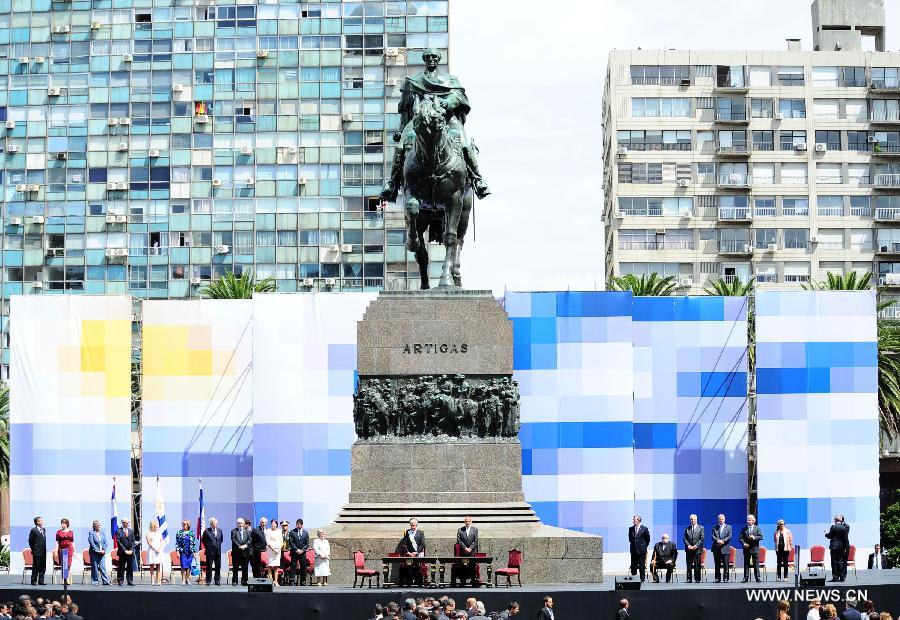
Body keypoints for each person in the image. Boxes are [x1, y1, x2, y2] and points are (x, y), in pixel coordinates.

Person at [380, 49, 491, 203]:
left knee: (465, 145)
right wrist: (402, 129)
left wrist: (450, 102)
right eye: (427, 57)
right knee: (401, 146)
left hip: (448, 121)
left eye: (434, 57)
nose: (431, 59)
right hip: (418, 121)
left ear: (439, 59)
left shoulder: (450, 81)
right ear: (424, 60)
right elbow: (405, 109)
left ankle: (478, 180)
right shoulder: (412, 81)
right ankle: (392, 182)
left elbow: (459, 97)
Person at [400, 518, 426, 587]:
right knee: (409, 567)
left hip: (418, 554)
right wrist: (408, 552)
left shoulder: (421, 532)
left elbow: (422, 544)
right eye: (411, 525)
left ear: (416, 525)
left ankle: (419, 582)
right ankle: (409, 582)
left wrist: (416, 553)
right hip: (409, 554)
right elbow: (404, 544)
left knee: (418, 568)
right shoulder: (407, 532)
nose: (412, 527)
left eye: (413, 525)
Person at [454, 516, 479, 587]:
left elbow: (476, 540)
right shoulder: (460, 530)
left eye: (469, 521)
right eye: (466, 521)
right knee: (464, 566)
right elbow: (459, 540)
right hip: (464, 552)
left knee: (472, 566)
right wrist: (465, 548)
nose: (467, 523)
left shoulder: (475, 529)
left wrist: (470, 548)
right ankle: (463, 581)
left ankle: (473, 581)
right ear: (464, 522)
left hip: (472, 552)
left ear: (471, 522)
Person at [825, 515, 850, 582]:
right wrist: (845, 548)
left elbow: (829, 536)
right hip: (841, 547)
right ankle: (842, 577)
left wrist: (826, 534)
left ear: (835, 520)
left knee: (834, 562)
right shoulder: (844, 528)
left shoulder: (833, 527)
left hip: (834, 547)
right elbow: (845, 539)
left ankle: (835, 577)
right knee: (840, 562)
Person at [740, 514, 763, 583]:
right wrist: (744, 543)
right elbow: (740, 538)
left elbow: (761, 537)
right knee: (746, 563)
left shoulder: (757, 528)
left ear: (753, 521)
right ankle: (746, 578)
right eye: (747, 520)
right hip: (746, 549)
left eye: (750, 520)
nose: (748, 521)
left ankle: (757, 577)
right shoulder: (744, 529)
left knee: (756, 563)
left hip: (755, 548)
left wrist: (754, 538)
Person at [88, 520, 110, 586]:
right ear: (94, 526)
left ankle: (105, 581)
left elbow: (106, 542)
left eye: (100, 525)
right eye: (97, 525)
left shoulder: (102, 533)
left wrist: (104, 549)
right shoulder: (91, 533)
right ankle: (95, 581)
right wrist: (97, 550)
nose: (99, 526)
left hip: (102, 553)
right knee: (94, 567)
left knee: (103, 567)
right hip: (94, 553)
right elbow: (91, 542)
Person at [202, 517, 224, 586]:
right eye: (213, 524)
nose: (215, 525)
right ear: (211, 524)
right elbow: (203, 540)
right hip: (210, 552)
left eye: (216, 524)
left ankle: (217, 580)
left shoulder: (220, 530)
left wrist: (217, 546)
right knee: (209, 567)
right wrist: (208, 548)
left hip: (218, 551)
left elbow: (221, 540)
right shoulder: (207, 531)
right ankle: (208, 580)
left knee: (218, 566)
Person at [682, 513, 704, 583]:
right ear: (690, 520)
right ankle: (689, 579)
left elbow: (702, 538)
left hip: (697, 549)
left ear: (696, 519)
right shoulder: (687, 528)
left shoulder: (701, 528)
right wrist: (688, 545)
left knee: (697, 565)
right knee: (689, 565)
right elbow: (684, 538)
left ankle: (697, 579)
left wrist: (696, 546)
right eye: (691, 519)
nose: (693, 520)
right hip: (689, 549)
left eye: (694, 519)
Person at [628, 515, 650, 582]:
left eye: (634, 520)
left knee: (641, 565)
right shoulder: (631, 528)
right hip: (633, 550)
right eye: (633, 520)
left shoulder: (644, 529)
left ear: (639, 520)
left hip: (641, 550)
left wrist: (643, 547)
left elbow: (647, 539)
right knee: (633, 566)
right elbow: (630, 539)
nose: (633, 521)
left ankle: (642, 578)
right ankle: (633, 578)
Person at [711, 513, 732, 583]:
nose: (721, 520)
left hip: (725, 548)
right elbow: (712, 536)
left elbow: (729, 536)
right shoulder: (714, 527)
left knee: (726, 565)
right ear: (718, 520)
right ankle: (717, 578)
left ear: (724, 520)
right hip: (716, 548)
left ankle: (726, 578)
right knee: (717, 565)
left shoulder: (729, 527)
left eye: (722, 519)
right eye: (720, 519)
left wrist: (723, 541)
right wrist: (718, 541)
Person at [114, 518, 136, 586]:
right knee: (121, 567)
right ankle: (120, 580)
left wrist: (131, 550)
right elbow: (119, 542)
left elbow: (133, 541)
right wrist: (125, 550)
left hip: (130, 552)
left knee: (130, 567)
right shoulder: (118, 531)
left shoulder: (131, 531)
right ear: (122, 523)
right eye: (125, 522)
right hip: (122, 552)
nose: (126, 524)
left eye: (127, 522)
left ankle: (130, 580)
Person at [289, 518, 310, 586]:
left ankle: (303, 581)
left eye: (298, 524)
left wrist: (302, 550)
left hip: (302, 553)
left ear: (302, 525)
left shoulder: (305, 533)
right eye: (296, 524)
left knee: (303, 566)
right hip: (294, 552)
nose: (297, 526)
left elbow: (307, 544)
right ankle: (292, 580)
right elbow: (291, 542)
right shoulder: (292, 532)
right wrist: (296, 549)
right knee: (293, 566)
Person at [174, 519, 196, 586]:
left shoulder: (191, 533)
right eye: (182, 524)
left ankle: (188, 579)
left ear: (188, 525)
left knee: (189, 566)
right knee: (183, 566)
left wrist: (194, 552)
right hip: (183, 551)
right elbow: (177, 543)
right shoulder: (179, 532)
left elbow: (194, 543)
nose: (183, 525)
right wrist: (177, 552)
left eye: (184, 524)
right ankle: (183, 579)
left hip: (190, 552)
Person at [230, 518, 250, 586]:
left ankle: (244, 581)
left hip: (245, 552)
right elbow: (233, 539)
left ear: (244, 524)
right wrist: (239, 546)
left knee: (245, 568)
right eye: (239, 523)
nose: (240, 525)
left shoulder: (247, 531)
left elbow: (250, 540)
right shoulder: (233, 531)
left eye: (241, 523)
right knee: (235, 567)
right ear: (237, 524)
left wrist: (245, 545)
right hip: (236, 552)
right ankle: (235, 581)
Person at [55, 519, 74, 585]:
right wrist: (55, 551)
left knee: (68, 564)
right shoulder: (58, 532)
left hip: (69, 549)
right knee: (63, 564)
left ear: (67, 524)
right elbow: (57, 542)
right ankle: (63, 579)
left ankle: (67, 579)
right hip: (62, 549)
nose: (62, 524)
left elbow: (72, 542)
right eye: (62, 523)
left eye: (64, 523)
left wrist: (74, 550)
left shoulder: (71, 532)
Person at [28, 517, 47, 586]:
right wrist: (33, 549)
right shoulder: (34, 530)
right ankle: (33, 580)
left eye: (42, 520)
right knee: (36, 566)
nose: (42, 521)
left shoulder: (44, 529)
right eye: (41, 521)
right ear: (37, 522)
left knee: (43, 567)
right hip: (37, 551)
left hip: (43, 551)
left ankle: (41, 581)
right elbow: (30, 541)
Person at [145, 520, 164, 586]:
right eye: (156, 525)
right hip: (152, 551)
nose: (157, 526)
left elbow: (161, 541)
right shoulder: (149, 533)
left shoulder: (159, 533)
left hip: (159, 550)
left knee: (158, 566)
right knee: (152, 566)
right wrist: (155, 548)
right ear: (153, 525)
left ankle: (159, 581)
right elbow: (149, 542)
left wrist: (159, 548)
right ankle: (152, 581)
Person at [265, 519, 282, 586]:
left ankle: (276, 581)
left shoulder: (279, 531)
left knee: (276, 566)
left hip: (278, 551)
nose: (273, 524)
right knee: (270, 566)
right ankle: (271, 582)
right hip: (270, 550)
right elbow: (267, 541)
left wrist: (278, 549)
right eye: (272, 523)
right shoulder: (268, 531)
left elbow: (281, 541)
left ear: (276, 524)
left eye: (274, 523)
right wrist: (273, 549)